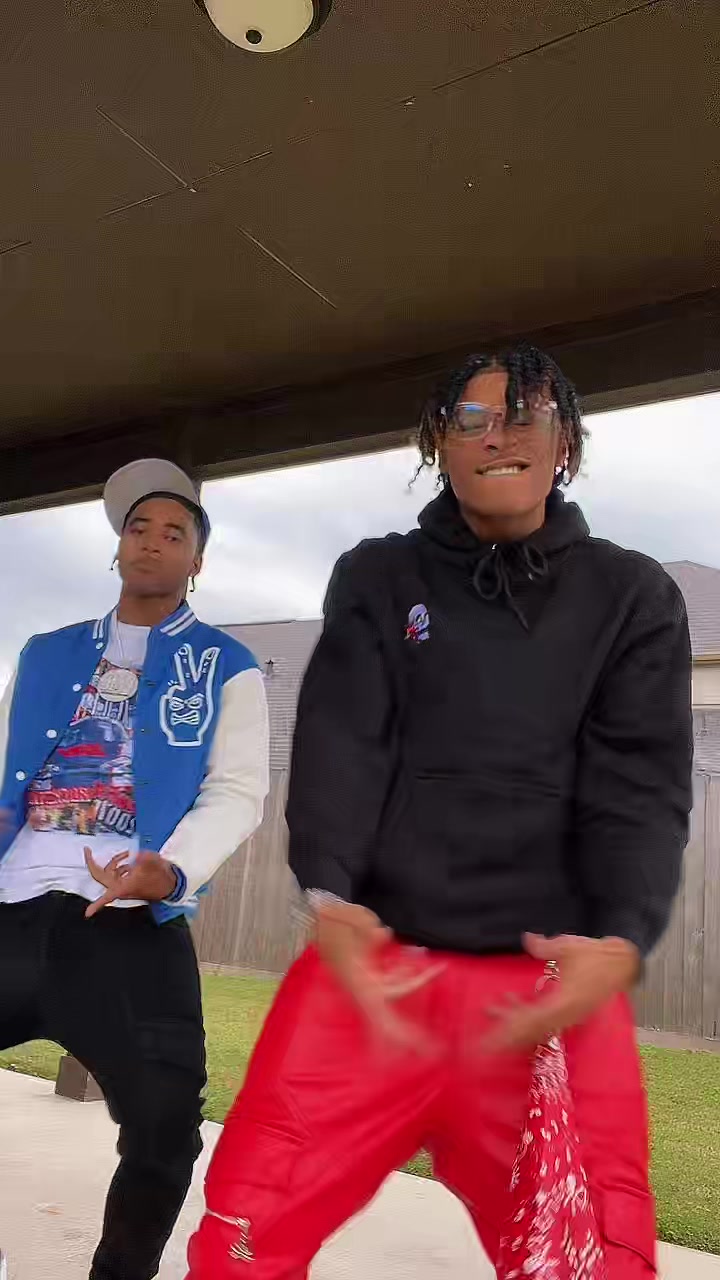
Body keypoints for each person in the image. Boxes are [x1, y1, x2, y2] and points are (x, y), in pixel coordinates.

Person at [186, 345, 693, 1279]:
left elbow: (639, 782)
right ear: (438, 443)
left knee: (593, 1258)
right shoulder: (379, 575)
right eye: (471, 419)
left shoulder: (633, 595)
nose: (498, 436)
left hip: (546, 994)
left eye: (526, 415)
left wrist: (623, 931)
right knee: (241, 1245)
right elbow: (344, 739)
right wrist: (327, 889)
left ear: (566, 445)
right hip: (373, 977)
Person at [0, 459, 269, 1280]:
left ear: (196, 561)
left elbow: (236, 791)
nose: (152, 541)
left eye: (173, 532)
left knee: (164, 1127)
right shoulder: (45, 653)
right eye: (137, 528)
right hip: (12, 904)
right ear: (117, 548)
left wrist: (172, 871)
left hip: (128, 920)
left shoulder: (227, 664)